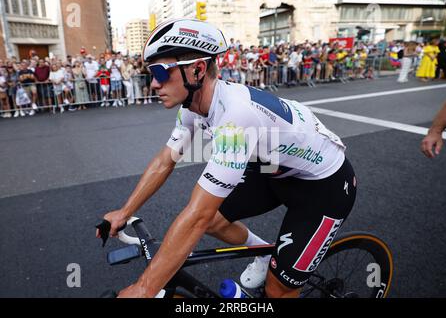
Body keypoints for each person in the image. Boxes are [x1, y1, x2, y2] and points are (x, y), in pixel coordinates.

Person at [98, 19, 357, 298]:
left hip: (324, 185)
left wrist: (144, 288)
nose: (153, 83)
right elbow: (165, 160)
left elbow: (197, 215)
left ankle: (279, 277)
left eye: (160, 72)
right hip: (276, 168)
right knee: (214, 221)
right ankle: (262, 255)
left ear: (196, 69)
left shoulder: (235, 116)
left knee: (277, 289)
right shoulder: (193, 107)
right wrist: (125, 211)